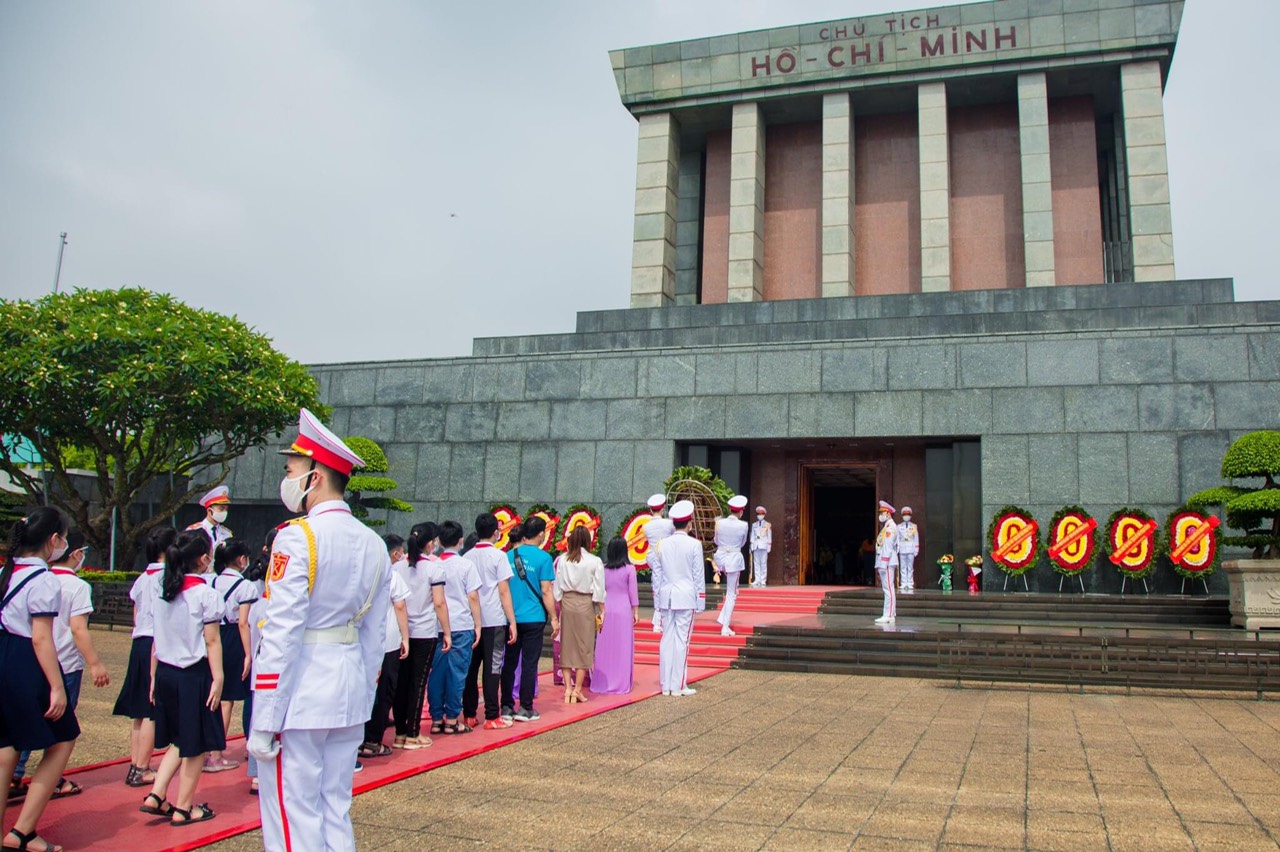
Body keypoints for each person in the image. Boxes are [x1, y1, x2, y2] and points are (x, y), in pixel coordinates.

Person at [246, 408, 390, 852]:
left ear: (315, 476)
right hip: (346, 688)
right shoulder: (374, 543)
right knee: (333, 807)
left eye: (292, 469)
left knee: (293, 812)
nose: (287, 478)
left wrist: (265, 717)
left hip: (302, 691)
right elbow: (374, 633)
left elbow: (282, 631)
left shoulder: (298, 537)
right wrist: (364, 695)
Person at [0, 507, 80, 852]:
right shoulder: (45, 578)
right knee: (63, 737)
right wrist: (58, 686)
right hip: (26, 661)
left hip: (3, 654)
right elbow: (41, 638)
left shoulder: (6, 570)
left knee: (5, 747)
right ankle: (23, 830)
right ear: (53, 541)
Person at [12, 530, 110, 801]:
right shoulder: (77, 586)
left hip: (33, 663)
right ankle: (49, 779)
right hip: (64, 663)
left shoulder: (30, 576)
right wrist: (95, 663)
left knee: (24, 722)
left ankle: (16, 774)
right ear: (76, 554)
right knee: (60, 730)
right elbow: (78, 629)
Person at [140, 529, 225, 826]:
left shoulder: (163, 588)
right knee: (196, 745)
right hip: (193, 674)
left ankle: (157, 793)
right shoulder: (205, 594)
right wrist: (218, 678)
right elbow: (212, 641)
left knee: (179, 739)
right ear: (204, 559)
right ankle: (185, 807)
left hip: (166, 672)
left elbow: (155, 639)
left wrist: (153, 677)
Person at [113, 525, 176, 789]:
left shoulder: (142, 578)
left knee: (140, 710)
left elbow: (136, 614)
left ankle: (136, 764)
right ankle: (142, 767)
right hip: (157, 642)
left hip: (139, 641)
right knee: (151, 709)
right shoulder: (169, 577)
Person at [391, 522, 449, 749]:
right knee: (418, 682)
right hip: (424, 631)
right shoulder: (434, 569)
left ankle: (400, 732)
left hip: (401, 630)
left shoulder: (397, 567)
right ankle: (413, 733)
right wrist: (447, 631)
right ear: (430, 543)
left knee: (402, 683)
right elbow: (439, 602)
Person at [462, 513, 517, 730]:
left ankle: (469, 713)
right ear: (496, 532)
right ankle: (492, 715)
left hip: (471, 620)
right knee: (492, 668)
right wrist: (512, 621)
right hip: (494, 619)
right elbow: (504, 591)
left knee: (471, 668)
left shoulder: (466, 557)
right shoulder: (499, 556)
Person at [206, 540, 257, 774]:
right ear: (240, 559)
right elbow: (244, 623)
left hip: (213, 634)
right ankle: (216, 754)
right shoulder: (245, 586)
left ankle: (208, 749)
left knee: (213, 694)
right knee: (226, 699)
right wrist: (248, 653)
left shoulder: (211, 581)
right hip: (234, 637)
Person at [426, 521, 481, 735]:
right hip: (460, 624)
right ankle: (451, 718)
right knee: (458, 672)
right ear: (460, 541)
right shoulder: (465, 565)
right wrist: (478, 624)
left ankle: (436, 717)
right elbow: (473, 596)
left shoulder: (433, 564)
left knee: (437, 672)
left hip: (437, 625)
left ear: (439, 541)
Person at [501, 519, 558, 723]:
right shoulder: (544, 558)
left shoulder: (508, 556)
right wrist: (554, 617)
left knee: (509, 662)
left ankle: (506, 705)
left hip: (511, 618)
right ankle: (525, 707)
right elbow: (546, 590)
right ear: (541, 534)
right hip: (534, 617)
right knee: (529, 662)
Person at [361, 534, 411, 757]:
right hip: (387, 640)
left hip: (362, 640)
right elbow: (400, 606)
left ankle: (357, 738)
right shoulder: (391, 574)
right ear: (394, 553)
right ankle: (373, 740)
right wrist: (406, 637)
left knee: (364, 690)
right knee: (384, 691)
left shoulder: (362, 572)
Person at [655, 500, 705, 697]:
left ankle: (665, 684)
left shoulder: (662, 544)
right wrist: (700, 601)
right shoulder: (694, 544)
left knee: (666, 639)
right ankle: (678, 685)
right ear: (690, 523)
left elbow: (658, 575)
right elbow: (698, 575)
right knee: (682, 640)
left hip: (667, 597)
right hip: (685, 597)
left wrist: (659, 598)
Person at [553, 526, 605, 703]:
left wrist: (561, 604)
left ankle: (567, 688)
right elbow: (599, 589)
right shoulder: (594, 561)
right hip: (585, 603)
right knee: (585, 645)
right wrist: (602, 610)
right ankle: (577, 690)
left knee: (566, 645)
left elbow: (557, 587)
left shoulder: (563, 560)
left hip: (567, 602)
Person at [590, 537, 639, 695]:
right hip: (623, 610)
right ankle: (621, 680)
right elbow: (633, 592)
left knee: (604, 646)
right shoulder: (630, 569)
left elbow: (598, 590)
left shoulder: (603, 569)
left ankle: (603, 680)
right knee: (622, 646)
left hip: (606, 608)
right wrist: (636, 611)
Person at [713, 495, 749, 636]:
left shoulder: (719, 523)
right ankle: (725, 626)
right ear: (741, 511)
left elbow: (716, 540)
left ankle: (723, 618)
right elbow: (742, 543)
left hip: (721, 556)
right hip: (733, 558)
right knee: (732, 593)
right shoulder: (743, 525)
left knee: (732, 592)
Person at [642, 494, 673, 634]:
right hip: (665, 557)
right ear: (663, 508)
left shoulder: (646, 526)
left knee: (657, 587)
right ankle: (660, 619)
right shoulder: (669, 523)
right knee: (665, 587)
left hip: (653, 556)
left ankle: (658, 619)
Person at [874, 501, 899, 625]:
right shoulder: (887, 527)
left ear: (888, 513)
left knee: (888, 588)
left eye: (882, 513)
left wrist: (883, 563)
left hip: (887, 562)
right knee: (887, 588)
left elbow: (888, 546)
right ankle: (889, 614)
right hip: (885, 561)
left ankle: (888, 615)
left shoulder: (890, 527)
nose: (881, 515)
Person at [187, 485, 233, 551]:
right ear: (209, 511)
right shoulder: (193, 530)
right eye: (221, 509)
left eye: (226, 509)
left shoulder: (227, 533)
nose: (225, 512)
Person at [897, 506, 920, 593]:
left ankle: (910, 583)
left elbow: (916, 538)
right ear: (902, 515)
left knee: (910, 567)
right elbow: (898, 538)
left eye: (908, 514)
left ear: (910, 515)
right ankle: (903, 583)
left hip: (911, 548)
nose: (906, 516)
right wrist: (897, 548)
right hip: (902, 548)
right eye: (905, 514)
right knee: (903, 566)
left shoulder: (914, 526)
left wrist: (916, 549)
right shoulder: (899, 526)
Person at [750, 506, 772, 587]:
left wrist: (769, 545)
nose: (759, 515)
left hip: (764, 545)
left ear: (764, 514)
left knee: (763, 563)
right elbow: (752, 535)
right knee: (756, 563)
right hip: (756, 545)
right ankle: (757, 579)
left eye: (761, 514)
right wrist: (751, 545)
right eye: (758, 514)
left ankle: (763, 580)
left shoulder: (767, 525)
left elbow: (769, 535)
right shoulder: (754, 525)